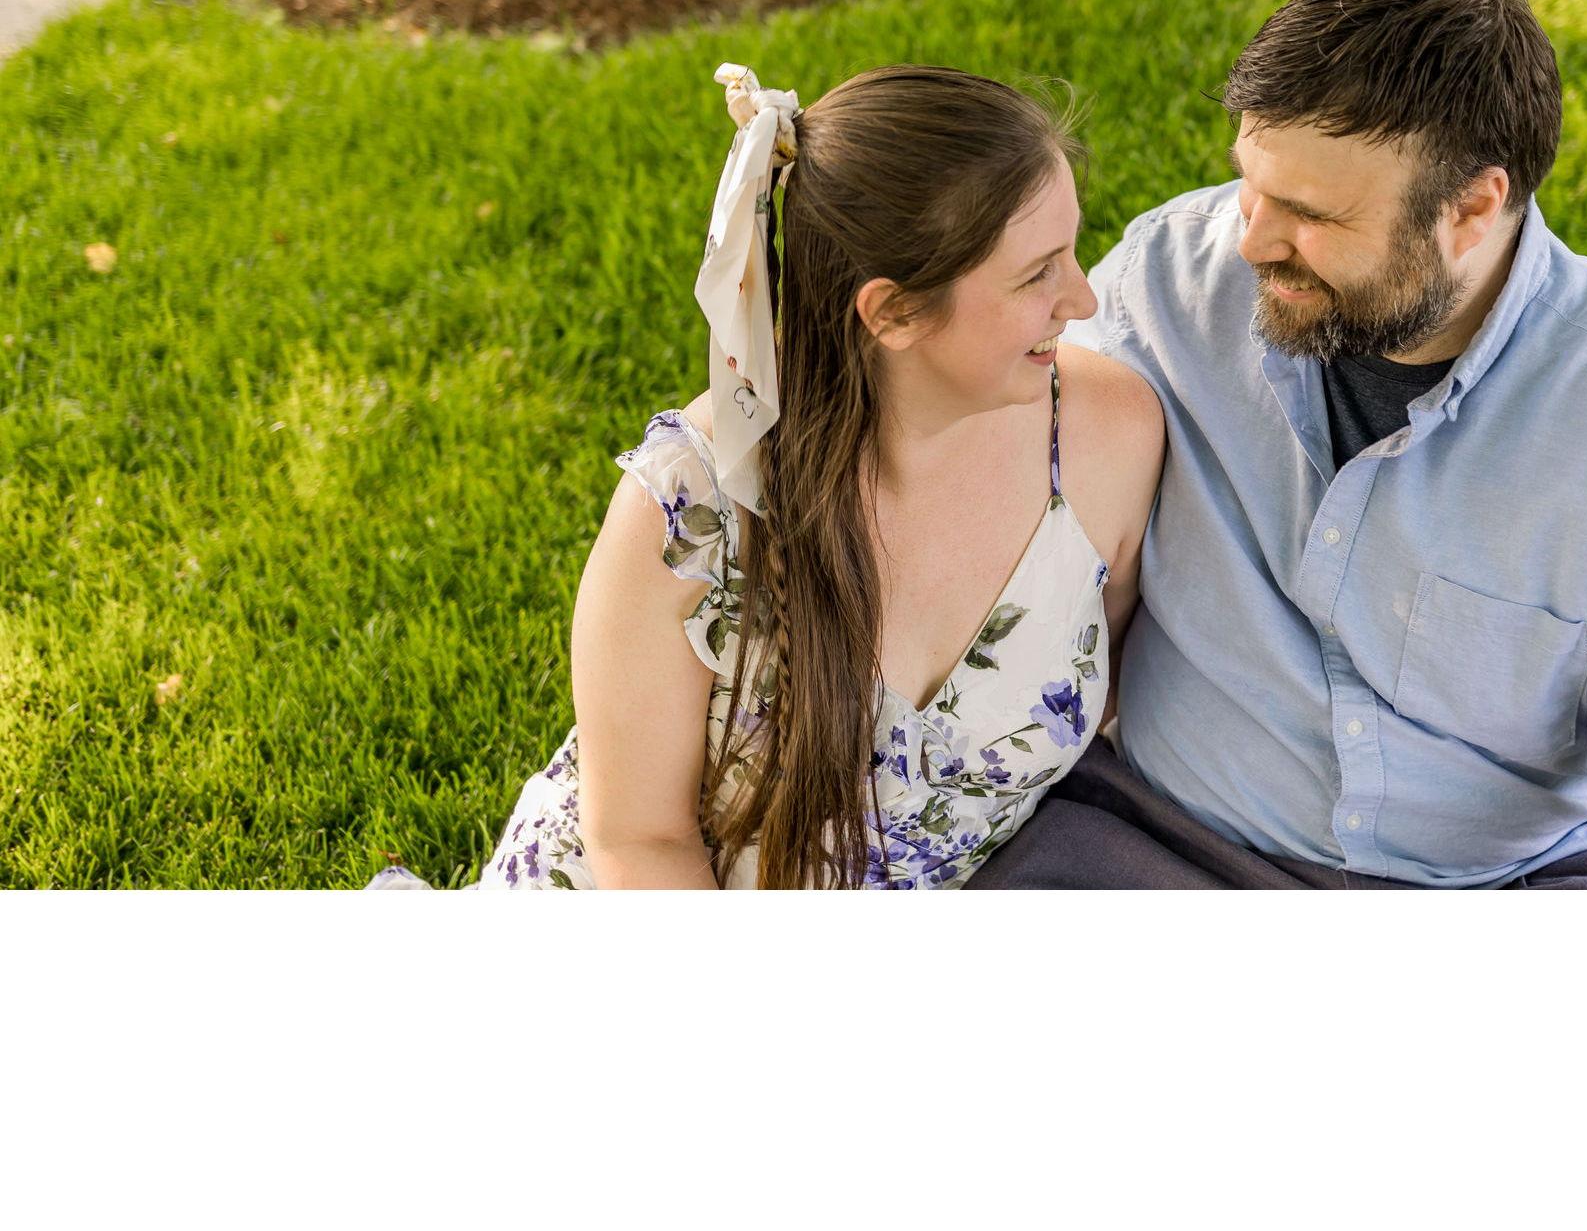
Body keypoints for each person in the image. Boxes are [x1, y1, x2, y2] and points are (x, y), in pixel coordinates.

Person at [969, 0, 1587, 891]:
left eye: (1311, 213)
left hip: (1497, 886)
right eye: (1251, 182)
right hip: (1157, 845)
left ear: (1472, 209)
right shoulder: (1167, 286)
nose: (1250, 239)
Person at [371, 63, 1161, 890]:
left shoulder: (1108, 437)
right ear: (891, 313)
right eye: (1037, 274)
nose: (1083, 300)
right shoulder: (689, 507)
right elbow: (639, 838)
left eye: (1074, 252)